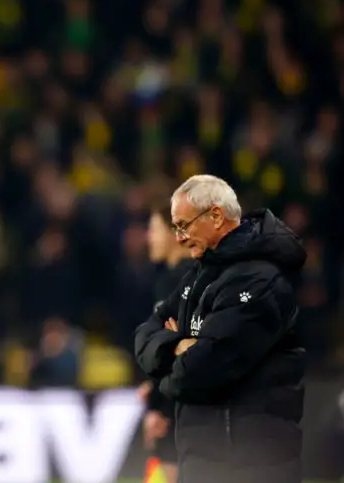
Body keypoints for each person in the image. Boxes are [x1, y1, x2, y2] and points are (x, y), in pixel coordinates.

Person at [134, 175, 306, 483]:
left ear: (215, 216)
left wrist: (173, 364)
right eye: (175, 228)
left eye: (184, 225)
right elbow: (144, 336)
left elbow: (203, 370)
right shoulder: (198, 276)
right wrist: (179, 346)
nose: (179, 238)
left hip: (249, 466)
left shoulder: (260, 280)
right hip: (206, 463)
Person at [139, 203, 194, 483]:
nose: (149, 237)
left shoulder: (183, 281)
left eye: (154, 229)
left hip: (183, 404)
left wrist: (160, 408)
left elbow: (179, 349)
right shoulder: (172, 279)